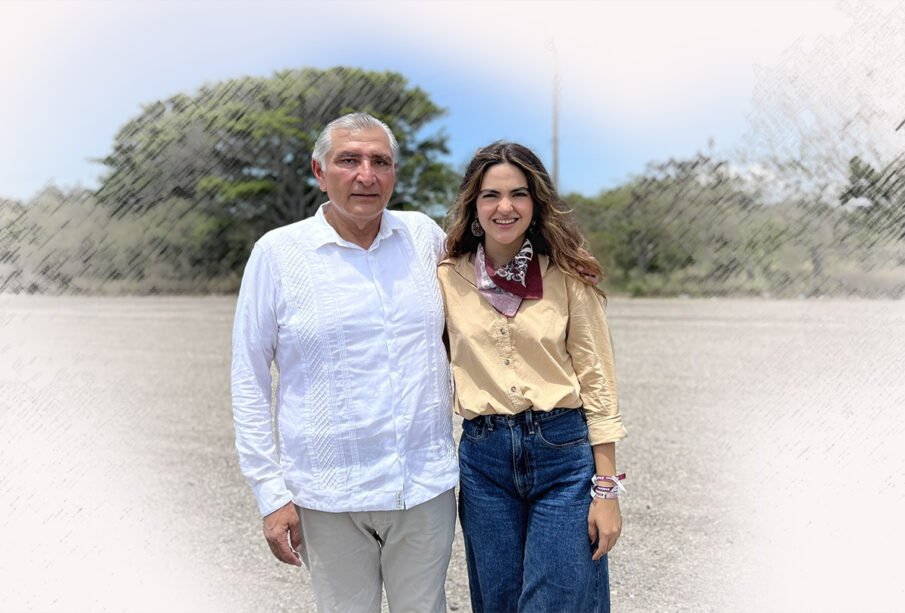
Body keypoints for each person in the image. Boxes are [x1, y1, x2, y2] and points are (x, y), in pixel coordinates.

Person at [231, 112, 458, 612]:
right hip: (327, 495)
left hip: (423, 486)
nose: (366, 175)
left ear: (394, 172)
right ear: (319, 171)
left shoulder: (423, 237)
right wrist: (270, 492)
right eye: (349, 160)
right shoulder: (278, 253)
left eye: (381, 162)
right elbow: (249, 377)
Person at [438, 142, 627, 613]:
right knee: (498, 603)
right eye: (491, 195)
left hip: (562, 456)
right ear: (473, 205)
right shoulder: (445, 278)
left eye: (518, 194)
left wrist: (606, 491)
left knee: (558, 602)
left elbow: (598, 385)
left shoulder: (567, 276)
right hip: (484, 462)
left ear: (536, 202)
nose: (505, 207)